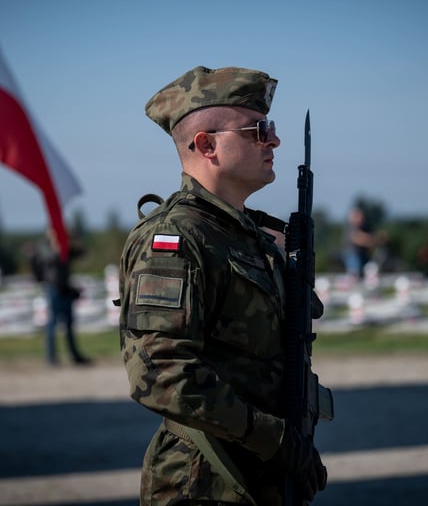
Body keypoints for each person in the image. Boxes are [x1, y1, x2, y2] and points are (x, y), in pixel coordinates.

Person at [117, 66, 328, 505]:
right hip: (205, 479)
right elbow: (161, 373)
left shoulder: (247, 236)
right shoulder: (174, 240)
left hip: (262, 472)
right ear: (206, 145)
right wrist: (275, 438)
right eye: (258, 130)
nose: (273, 141)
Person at [31, 229, 89, 366]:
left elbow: (81, 253)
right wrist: (56, 246)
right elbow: (49, 258)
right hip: (53, 288)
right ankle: (51, 358)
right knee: (52, 323)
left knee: (69, 323)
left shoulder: (65, 246)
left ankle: (74, 355)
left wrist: (73, 242)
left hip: (66, 288)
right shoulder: (44, 246)